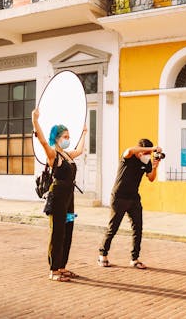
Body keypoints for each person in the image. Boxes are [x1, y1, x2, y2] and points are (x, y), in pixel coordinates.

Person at [32, 108, 87, 282]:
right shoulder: (53, 154)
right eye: (65, 137)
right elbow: (41, 140)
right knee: (57, 232)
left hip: (69, 198)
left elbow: (79, 150)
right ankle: (53, 270)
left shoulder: (67, 155)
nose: (68, 139)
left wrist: (84, 133)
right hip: (58, 197)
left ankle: (62, 266)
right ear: (56, 138)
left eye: (69, 137)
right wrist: (35, 121)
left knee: (68, 230)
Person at [98, 139, 162, 269]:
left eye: (147, 153)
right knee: (113, 228)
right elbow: (131, 150)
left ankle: (135, 259)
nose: (146, 155)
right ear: (140, 151)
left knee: (138, 228)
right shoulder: (128, 157)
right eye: (144, 152)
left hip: (134, 198)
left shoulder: (146, 162)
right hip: (119, 197)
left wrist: (155, 167)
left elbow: (151, 178)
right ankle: (102, 255)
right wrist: (151, 149)